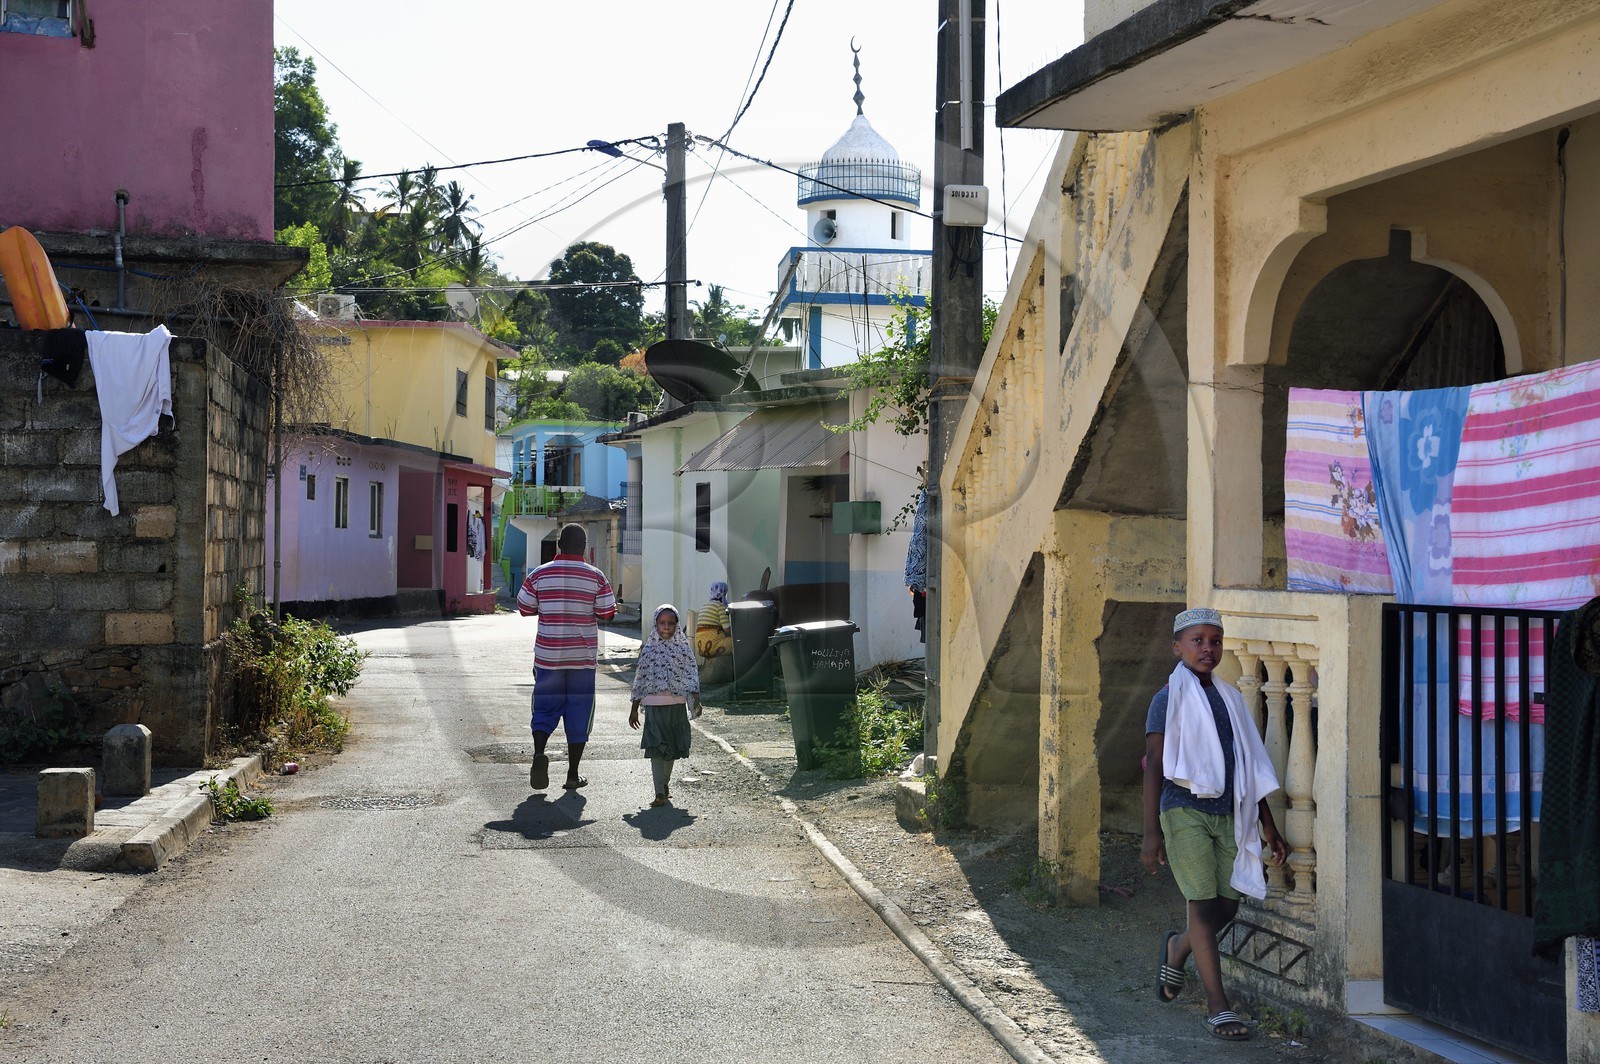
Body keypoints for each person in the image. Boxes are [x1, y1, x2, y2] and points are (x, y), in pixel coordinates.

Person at [1142, 606, 1287, 1042]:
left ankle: (1178, 947)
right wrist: (1151, 832)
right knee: (1202, 907)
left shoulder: (1230, 699)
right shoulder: (1167, 698)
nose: (1208, 648)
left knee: (1228, 905)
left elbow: (1247, 764)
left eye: (1215, 641)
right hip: (1183, 811)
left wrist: (1268, 824)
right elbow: (1154, 766)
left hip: (1229, 813)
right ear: (1177, 647)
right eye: (1197, 641)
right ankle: (1218, 1005)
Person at [517, 523, 616, 791]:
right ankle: (572, 775)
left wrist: (548, 606)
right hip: (582, 661)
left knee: (544, 708)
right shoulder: (596, 577)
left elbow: (524, 607)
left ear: (559, 545)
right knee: (579, 713)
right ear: (584, 547)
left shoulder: (540, 574)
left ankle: (539, 753)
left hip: (548, 658)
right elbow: (607, 613)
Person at [628, 604, 701, 808]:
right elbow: (640, 680)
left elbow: (691, 677)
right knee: (656, 748)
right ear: (656, 624)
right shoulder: (649, 650)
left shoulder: (683, 650)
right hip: (653, 707)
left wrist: (696, 701)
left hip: (676, 706)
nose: (666, 627)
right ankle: (659, 791)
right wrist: (634, 709)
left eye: (670, 623)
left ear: (677, 625)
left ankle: (665, 783)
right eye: (662, 623)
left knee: (672, 748)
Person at [694, 581, 732, 660]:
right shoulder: (720, 606)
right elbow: (727, 628)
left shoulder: (704, 606)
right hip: (712, 645)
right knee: (737, 643)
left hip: (700, 647)